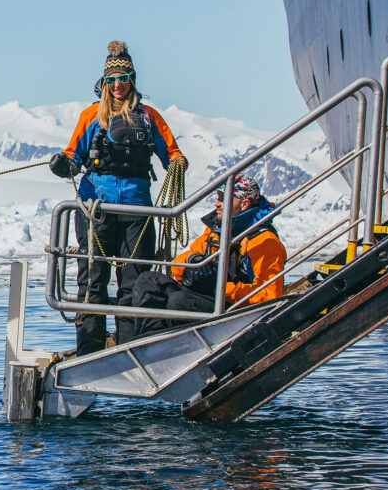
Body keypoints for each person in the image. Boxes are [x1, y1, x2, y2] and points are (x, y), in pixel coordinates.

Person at [48, 41, 187, 355]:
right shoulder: (90, 117)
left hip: (137, 209)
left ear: (132, 79)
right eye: (112, 80)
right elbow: (73, 157)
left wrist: (178, 164)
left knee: (134, 282)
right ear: (104, 83)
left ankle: (129, 348)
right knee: (93, 279)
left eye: (123, 79)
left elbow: (174, 155)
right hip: (96, 208)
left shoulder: (150, 118)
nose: (118, 85)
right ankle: (89, 349)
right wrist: (63, 166)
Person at [131, 173, 287, 336]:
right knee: (148, 280)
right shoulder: (217, 230)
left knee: (179, 302)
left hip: (235, 310)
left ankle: (172, 346)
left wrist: (219, 288)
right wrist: (193, 265)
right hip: (209, 297)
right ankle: (147, 341)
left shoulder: (264, 241)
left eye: (223, 199)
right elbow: (179, 264)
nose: (216, 203)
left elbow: (268, 295)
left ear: (244, 204)